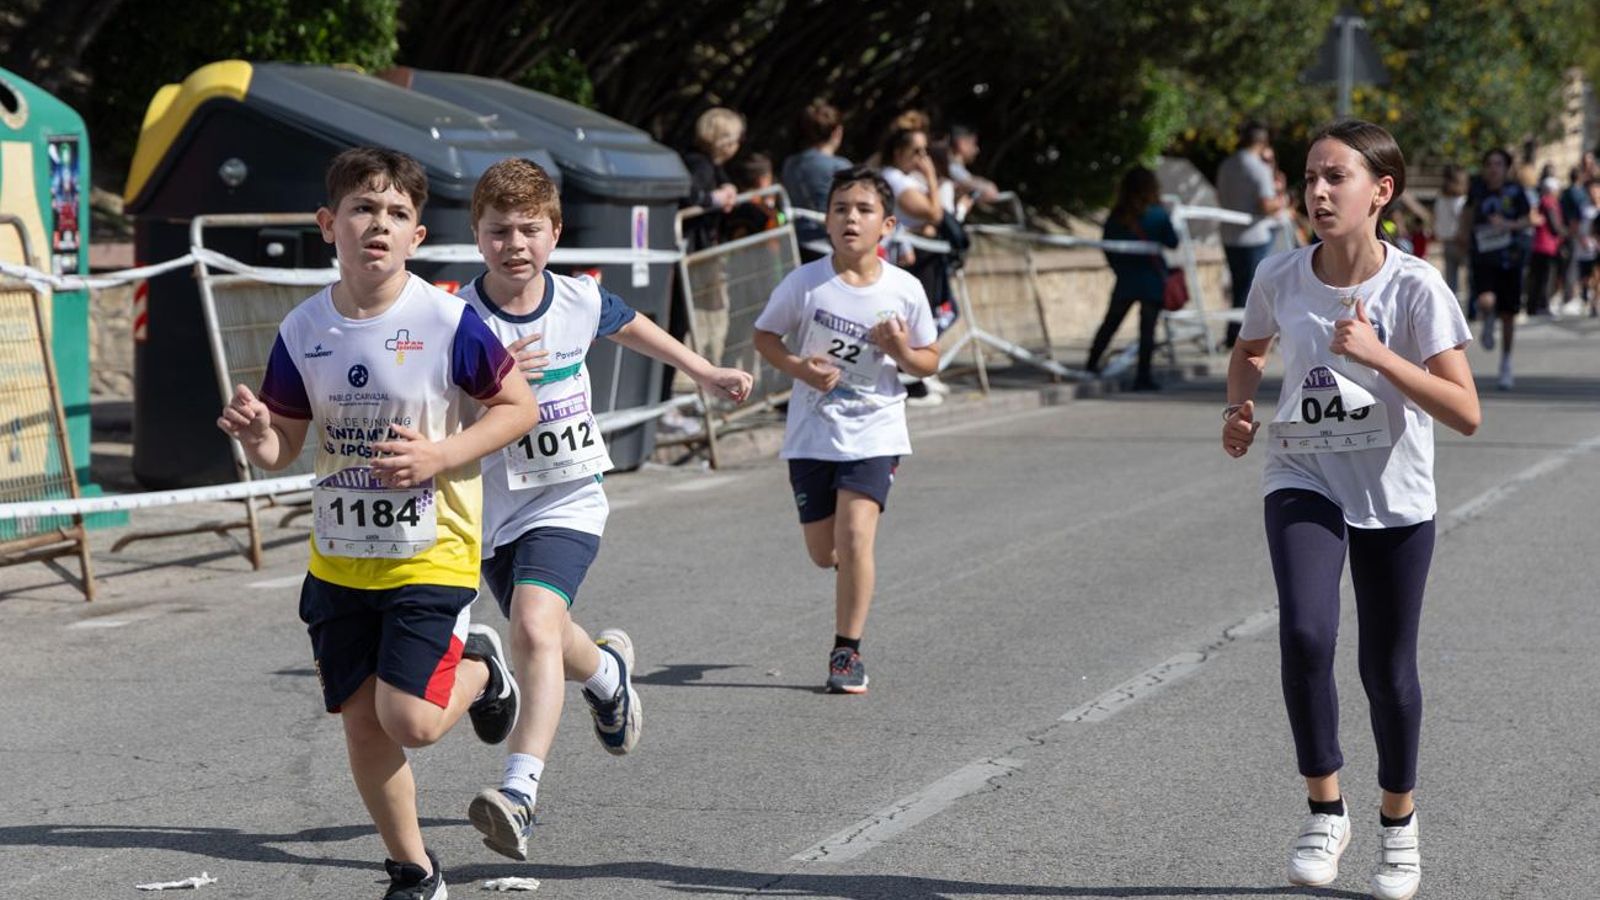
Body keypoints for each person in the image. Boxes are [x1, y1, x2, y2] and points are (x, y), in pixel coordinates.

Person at [216, 147, 538, 900]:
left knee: (413, 722)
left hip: (433, 548)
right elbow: (284, 447)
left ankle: (485, 671)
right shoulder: (303, 329)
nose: (378, 225)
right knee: (363, 724)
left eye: (397, 214)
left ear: (417, 236)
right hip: (338, 559)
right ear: (330, 224)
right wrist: (254, 430)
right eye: (363, 209)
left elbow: (516, 408)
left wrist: (440, 455)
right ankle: (413, 869)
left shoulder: (447, 319)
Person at [457, 158, 753, 860]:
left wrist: (704, 370)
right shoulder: (458, 318)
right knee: (549, 636)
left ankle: (519, 794)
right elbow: (441, 408)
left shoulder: (579, 299)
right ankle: (609, 676)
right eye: (499, 231)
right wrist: (492, 388)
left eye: (530, 229)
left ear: (554, 234)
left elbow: (633, 326)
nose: (515, 244)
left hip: (568, 496)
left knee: (532, 626)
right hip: (493, 507)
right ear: (477, 236)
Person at [1223, 119, 1479, 900]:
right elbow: (1250, 350)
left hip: (1395, 493)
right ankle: (1324, 808)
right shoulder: (1281, 275)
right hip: (1303, 473)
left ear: (1382, 192)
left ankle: (1397, 825)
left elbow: (1466, 411)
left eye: (1337, 177)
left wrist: (1379, 356)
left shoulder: (1414, 288)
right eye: (1310, 178)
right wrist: (1239, 408)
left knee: (1386, 669)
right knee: (1305, 631)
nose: (1320, 192)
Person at [751, 165, 939, 693]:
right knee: (824, 552)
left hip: (875, 430)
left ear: (888, 225)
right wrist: (798, 369)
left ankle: (845, 653)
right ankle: (849, 571)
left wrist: (900, 350)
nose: (850, 218)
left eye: (863, 210)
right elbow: (764, 336)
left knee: (856, 537)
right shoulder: (806, 283)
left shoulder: (905, 289)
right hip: (813, 433)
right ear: (828, 221)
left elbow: (929, 360)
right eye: (840, 209)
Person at [1085, 166, 1178, 390]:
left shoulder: (1117, 216)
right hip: (1152, 280)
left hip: (1126, 279)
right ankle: (1143, 376)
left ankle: (1090, 365)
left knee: (1110, 324)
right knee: (1147, 331)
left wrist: (1120, 269)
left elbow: (1108, 247)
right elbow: (1173, 242)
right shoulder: (1157, 214)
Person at [880, 125, 952, 404]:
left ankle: (921, 377)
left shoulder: (903, 178)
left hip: (918, 254)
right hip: (909, 257)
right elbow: (933, 213)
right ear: (899, 153)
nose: (923, 157)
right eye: (917, 151)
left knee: (931, 316)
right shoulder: (895, 178)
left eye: (926, 151)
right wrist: (932, 177)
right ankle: (915, 383)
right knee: (912, 320)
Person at [1456, 148, 1532, 390]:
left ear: (1506, 167)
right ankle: (1488, 319)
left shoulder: (1516, 191)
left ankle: (1506, 364)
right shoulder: (1477, 188)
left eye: (1498, 164)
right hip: (1483, 256)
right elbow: (1467, 213)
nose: (1493, 168)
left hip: (1510, 257)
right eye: (1489, 163)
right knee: (1486, 301)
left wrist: (1507, 224)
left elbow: (1528, 219)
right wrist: (1463, 234)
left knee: (1509, 314)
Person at [1217, 120, 1284, 346]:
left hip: (1228, 235)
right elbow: (1266, 204)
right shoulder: (1257, 167)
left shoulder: (1227, 164)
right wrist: (1282, 202)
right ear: (1263, 142)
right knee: (1253, 290)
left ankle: (1232, 334)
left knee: (1239, 287)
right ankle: (1245, 338)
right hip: (1254, 235)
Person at [781, 101, 852, 261]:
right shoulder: (840, 166)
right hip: (829, 246)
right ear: (837, 132)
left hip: (796, 243)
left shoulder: (790, 163)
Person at [1526, 175, 1567, 317]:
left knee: (1539, 277)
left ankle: (1535, 306)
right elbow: (1554, 225)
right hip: (1546, 246)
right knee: (1544, 278)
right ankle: (1541, 305)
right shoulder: (1549, 202)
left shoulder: (1544, 201)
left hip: (1542, 245)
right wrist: (1565, 233)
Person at [1431, 166, 1467, 302]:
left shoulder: (1440, 198)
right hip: (1459, 241)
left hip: (1446, 240)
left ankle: (1452, 303)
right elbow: (1461, 220)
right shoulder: (1461, 200)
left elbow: (1436, 217)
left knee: (1451, 279)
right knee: (1468, 277)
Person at [947, 123, 1001, 203]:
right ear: (961, 144)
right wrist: (985, 186)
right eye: (974, 143)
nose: (977, 149)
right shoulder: (951, 167)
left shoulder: (953, 167)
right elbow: (966, 181)